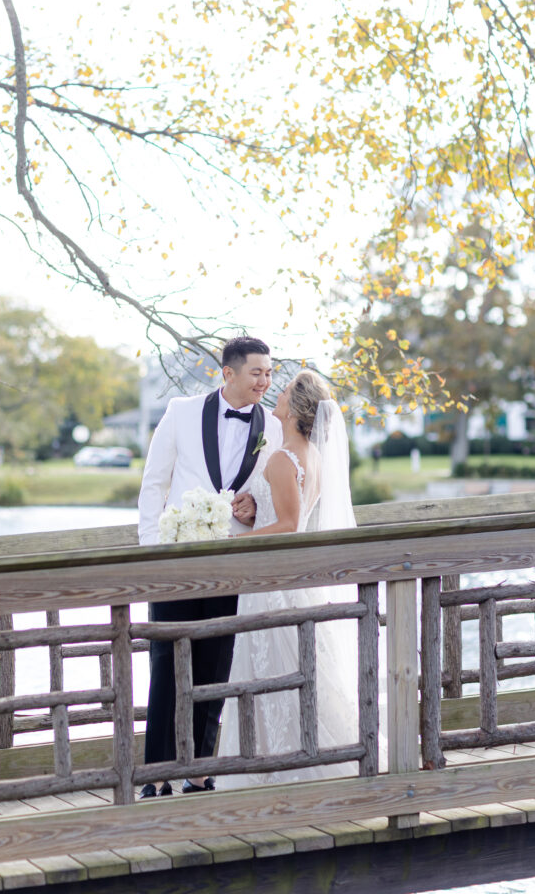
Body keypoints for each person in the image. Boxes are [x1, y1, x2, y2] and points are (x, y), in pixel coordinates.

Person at [137, 336, 283, 798]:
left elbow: (273, 497)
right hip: (175, 561)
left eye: (269, 373)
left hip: (231, 563)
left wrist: (255, 511)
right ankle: (154, 774)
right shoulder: (180, 412)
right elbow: (153, 484)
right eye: (257, 372)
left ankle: (199, 772)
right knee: (165, 664)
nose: (265, 381)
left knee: (216, 666)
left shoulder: (272, 428)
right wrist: (153, 550)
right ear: (229, 373)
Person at [218, 369, 373, 787]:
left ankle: (279, 771)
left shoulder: (285, 458)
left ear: (296, 407)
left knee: (273, 672)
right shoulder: (310, 457)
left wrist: (234, 546)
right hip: (286, 580)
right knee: (294, 670)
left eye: (284, 391)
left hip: (272, 584)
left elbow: (288, 526)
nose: (277, 394)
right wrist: (252, 516)